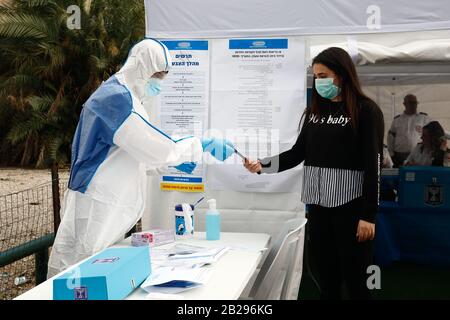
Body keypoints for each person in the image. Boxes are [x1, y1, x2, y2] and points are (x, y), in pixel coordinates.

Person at [47, 39, 234, 277]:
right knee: (81, 273)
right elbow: (157, 147)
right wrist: (202, 144)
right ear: (142, 67)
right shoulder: (117, 101)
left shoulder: (124, 96)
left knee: (90, 270)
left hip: (102, 201)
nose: (160, 82)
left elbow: (128, 154)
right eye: (157, 75)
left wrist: (163, 167)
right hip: (98, 204)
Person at [244, 47, 384, 300]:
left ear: (341, 74)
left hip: (350, 210)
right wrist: (262, 166)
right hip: (318, 209)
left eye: (323, 75)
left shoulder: (366, 111)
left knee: (356, 282)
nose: (318, 81)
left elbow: (373, 163)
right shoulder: (314, 113)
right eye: (316, 76)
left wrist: (369, 215)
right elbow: (297, 153)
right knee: (326, 280)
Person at [387, 94, 431, 167]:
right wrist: (391, 154)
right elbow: (390, 137)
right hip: (399, 155)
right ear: (404, 104)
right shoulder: (397, 120)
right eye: (410, 102)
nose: (413, 105)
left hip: (418, 155)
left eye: (415, 103)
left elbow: (433, 132)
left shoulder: (424, 118)